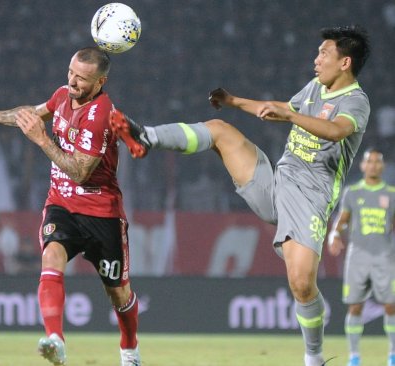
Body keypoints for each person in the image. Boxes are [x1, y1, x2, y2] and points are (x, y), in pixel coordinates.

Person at [110, 25, 371, 366]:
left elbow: (336, 130)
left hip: (310, 199)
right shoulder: (315, 88)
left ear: (345, 62)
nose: (316, 59)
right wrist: (234, 101)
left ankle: (314, 357)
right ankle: (146, 136)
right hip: (277, 181)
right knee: (220, 131)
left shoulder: (356, 101)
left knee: (302, 284)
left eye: (324, 53)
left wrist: (291, 115)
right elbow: (279, 107)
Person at [0, 46, 141, 366]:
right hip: (62, 204)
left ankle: (130, 351)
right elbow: (29, 114)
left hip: (101, 212)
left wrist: (42, 140)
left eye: (82, 79)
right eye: (70, 72)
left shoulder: (101, 115)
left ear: (100, 82)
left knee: (118, 293)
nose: (72, 81)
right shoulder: (61, 95)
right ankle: (56, 339)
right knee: (51, 254)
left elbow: (80, 171)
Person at [327, 148, 395, 366]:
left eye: (377, 161)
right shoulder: (352, 192)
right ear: (363, 166)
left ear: (382, 167)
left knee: (391, 304)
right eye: (370, 161)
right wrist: (335, 235)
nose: (373, 165)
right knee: (355, 306)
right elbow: (343, 218)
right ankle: (354, 357)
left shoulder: (391, 194)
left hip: (385, 256)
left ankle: (393, 355)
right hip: (358, 257)